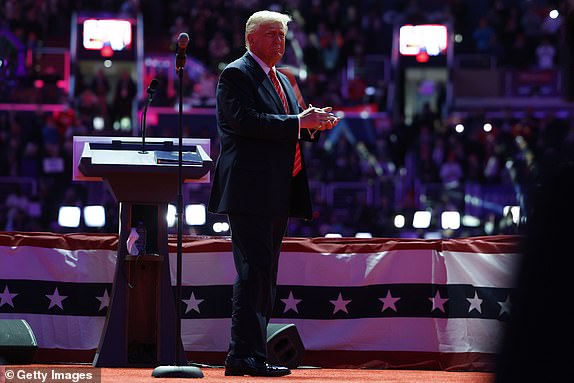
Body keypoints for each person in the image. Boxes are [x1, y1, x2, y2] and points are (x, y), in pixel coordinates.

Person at [208, 10, 339, 377]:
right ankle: (241, 355)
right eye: (271, 35)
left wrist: (315, 123)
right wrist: (300, 121)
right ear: (251, 39)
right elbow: (245, 122)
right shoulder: (235, 74)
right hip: (249, 191)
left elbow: (290, 128)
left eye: (282, 35)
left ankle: (251, 353)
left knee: (264, 275)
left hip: (275, 190)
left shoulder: (281, 79)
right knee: (253, 273)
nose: (279, 42)